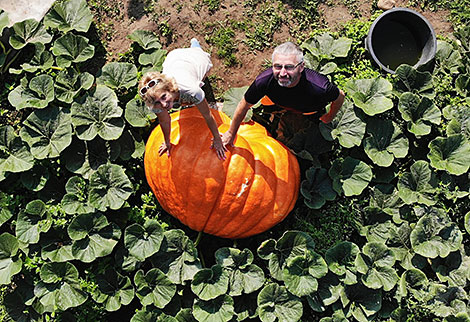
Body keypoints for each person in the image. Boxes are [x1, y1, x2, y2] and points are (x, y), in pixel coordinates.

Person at [222, 41, 345, 147]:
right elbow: (244, 104)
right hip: (278, 103)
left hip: (308, 110)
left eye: (289, 67)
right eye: (278, 66)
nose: (282, 73)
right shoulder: (264, 82)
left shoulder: (320, 87)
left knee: (310, 128)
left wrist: (330, 116)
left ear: (301, 67)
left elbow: (340, 96)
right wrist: (231, 133)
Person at [139, 38, 227, 160]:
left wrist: (217, 138)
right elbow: (164, 121)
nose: (163, 104)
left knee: (202, 72)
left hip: (191, 61)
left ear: (169, 87)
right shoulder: (153, 103)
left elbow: (207, 116)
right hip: (173, 59)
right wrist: (167, 141)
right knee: (180, 101)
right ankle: (193, 47)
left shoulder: (191, 90)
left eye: (164, 97)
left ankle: (196, 46)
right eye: (158, 102)